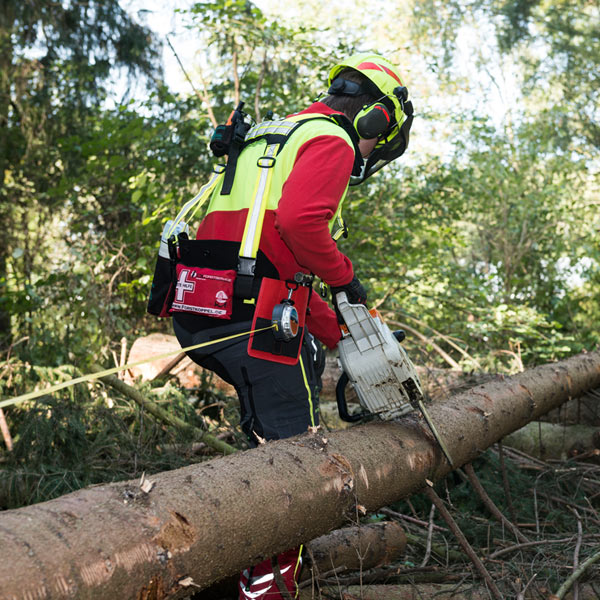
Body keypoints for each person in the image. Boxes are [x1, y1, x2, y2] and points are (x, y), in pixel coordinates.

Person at [170, 52, 413, 600]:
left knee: (266, 452)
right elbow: (301, 225)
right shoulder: (333, 138)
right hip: (258, 322)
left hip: (211, 310)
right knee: (301, 468)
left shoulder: (270, 137)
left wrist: (341, 332)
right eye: (377, 142)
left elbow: (275, 262)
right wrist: (347, 280)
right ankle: (267, 590)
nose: (367, 155)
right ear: (374, 119)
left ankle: (227, 573)